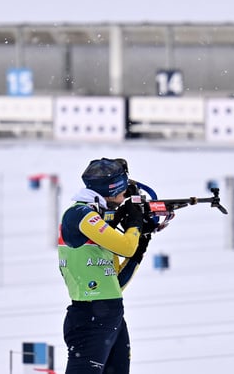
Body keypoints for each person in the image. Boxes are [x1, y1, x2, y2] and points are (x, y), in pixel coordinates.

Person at [58, 157, 154, 373]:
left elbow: (114, 283)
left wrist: (143, 240)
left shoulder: (98, 222)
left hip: (109, 313)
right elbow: (126, 246)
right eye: (123, 192)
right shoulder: (79, 215)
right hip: (90, 315)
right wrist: (135, 223)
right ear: (110, 191)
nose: (124, 198)